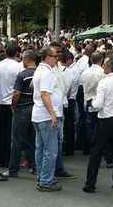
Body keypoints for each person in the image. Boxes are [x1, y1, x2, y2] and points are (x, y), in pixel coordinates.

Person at [84, 52, 113, 193]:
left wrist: (92, 102)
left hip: (105, 120)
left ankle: (90, 183)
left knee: (96, 152)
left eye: (104, 64)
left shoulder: (104, 82)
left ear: (108, 67)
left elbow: (98, 104)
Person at [32, 43, 65, 191]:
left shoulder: (40, 70)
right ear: (47, 57)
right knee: (50, 150)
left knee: (41, 149)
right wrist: (53, 114)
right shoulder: (46, 72)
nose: (57, 59)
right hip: (45, 116)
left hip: (39, 115)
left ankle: (42, 177)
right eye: (54, 56)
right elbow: (45, 94)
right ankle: (46, 180)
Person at [0, 44, 24, 168]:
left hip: (1, 103)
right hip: (14, 103)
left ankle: (2, 159)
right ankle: (12, 160)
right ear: (16, 53)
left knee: (2, 133)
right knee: (13, 134)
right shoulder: (18, 66)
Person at [8, 49, 38, 178]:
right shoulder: (40, 73)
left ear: (26, 59)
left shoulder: (22, 75)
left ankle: (13, 170)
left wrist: (13, 106)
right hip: (36, 108)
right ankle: (35, 166)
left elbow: (16, 94)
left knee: (17, 140)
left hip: (22, 109)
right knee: (34, 140)